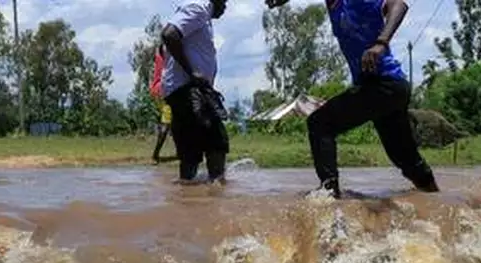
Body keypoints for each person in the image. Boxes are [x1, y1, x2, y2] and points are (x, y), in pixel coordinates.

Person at [265, 0, 438, 199]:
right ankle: (438, 201)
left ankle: (328, 194)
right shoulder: (335, 8)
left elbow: (399, 4)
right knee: (407, 161)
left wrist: (381, 43)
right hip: (385, 89)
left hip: (384, 84)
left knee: (320, 123)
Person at [161, 0, 230, 183]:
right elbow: (169, 35)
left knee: (189, 150)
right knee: (216, 142)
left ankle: (187, 193)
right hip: (189, 89)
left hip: (182, 90)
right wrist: (192, 72)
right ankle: (216, 191)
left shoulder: (201, 15)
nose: (225, 7)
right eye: (224, 1)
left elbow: (167, 44)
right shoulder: (198, 8)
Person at [148, 45, 173, 164]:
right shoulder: (171, 59)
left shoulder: (159, 54)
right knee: (166, 123)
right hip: (167, 90)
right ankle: (155, 155)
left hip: (158, 90)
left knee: (171, 121)